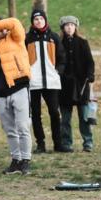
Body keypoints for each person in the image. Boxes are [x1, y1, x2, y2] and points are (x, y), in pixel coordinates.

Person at [0, 17, 33, 175]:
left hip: (19, 88)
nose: (1, 32)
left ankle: (26, 160)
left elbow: (15, 23)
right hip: (1, 95)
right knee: (10, 130)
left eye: (1, 29)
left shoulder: (16, 38)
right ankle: (16, 160)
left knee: (23, 127)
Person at [25, 9, 66, 153]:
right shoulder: (27, 38)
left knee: (55, 113)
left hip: (51, 82)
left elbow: (62, 58)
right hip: (33, 83)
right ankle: (40, 143)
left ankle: (58, 143)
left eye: (41, 19)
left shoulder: (53, 37)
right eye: (35, 20)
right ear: (32, 22)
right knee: (36, 114)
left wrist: (57, 72)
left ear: (45, 20)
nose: (38, 21)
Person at [59, 16, 95, 152]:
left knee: (84, 117)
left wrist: (90, 75)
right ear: (63, 28)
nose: (69, 28)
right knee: (65, 119)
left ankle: (88, 142)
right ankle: (67, 142)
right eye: (67, 25)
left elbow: (90, 62)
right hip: (64, 86)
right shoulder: (59, 43)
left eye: (72, 25)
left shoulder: (82, 42)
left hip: (82, 85)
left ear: (76, 27)